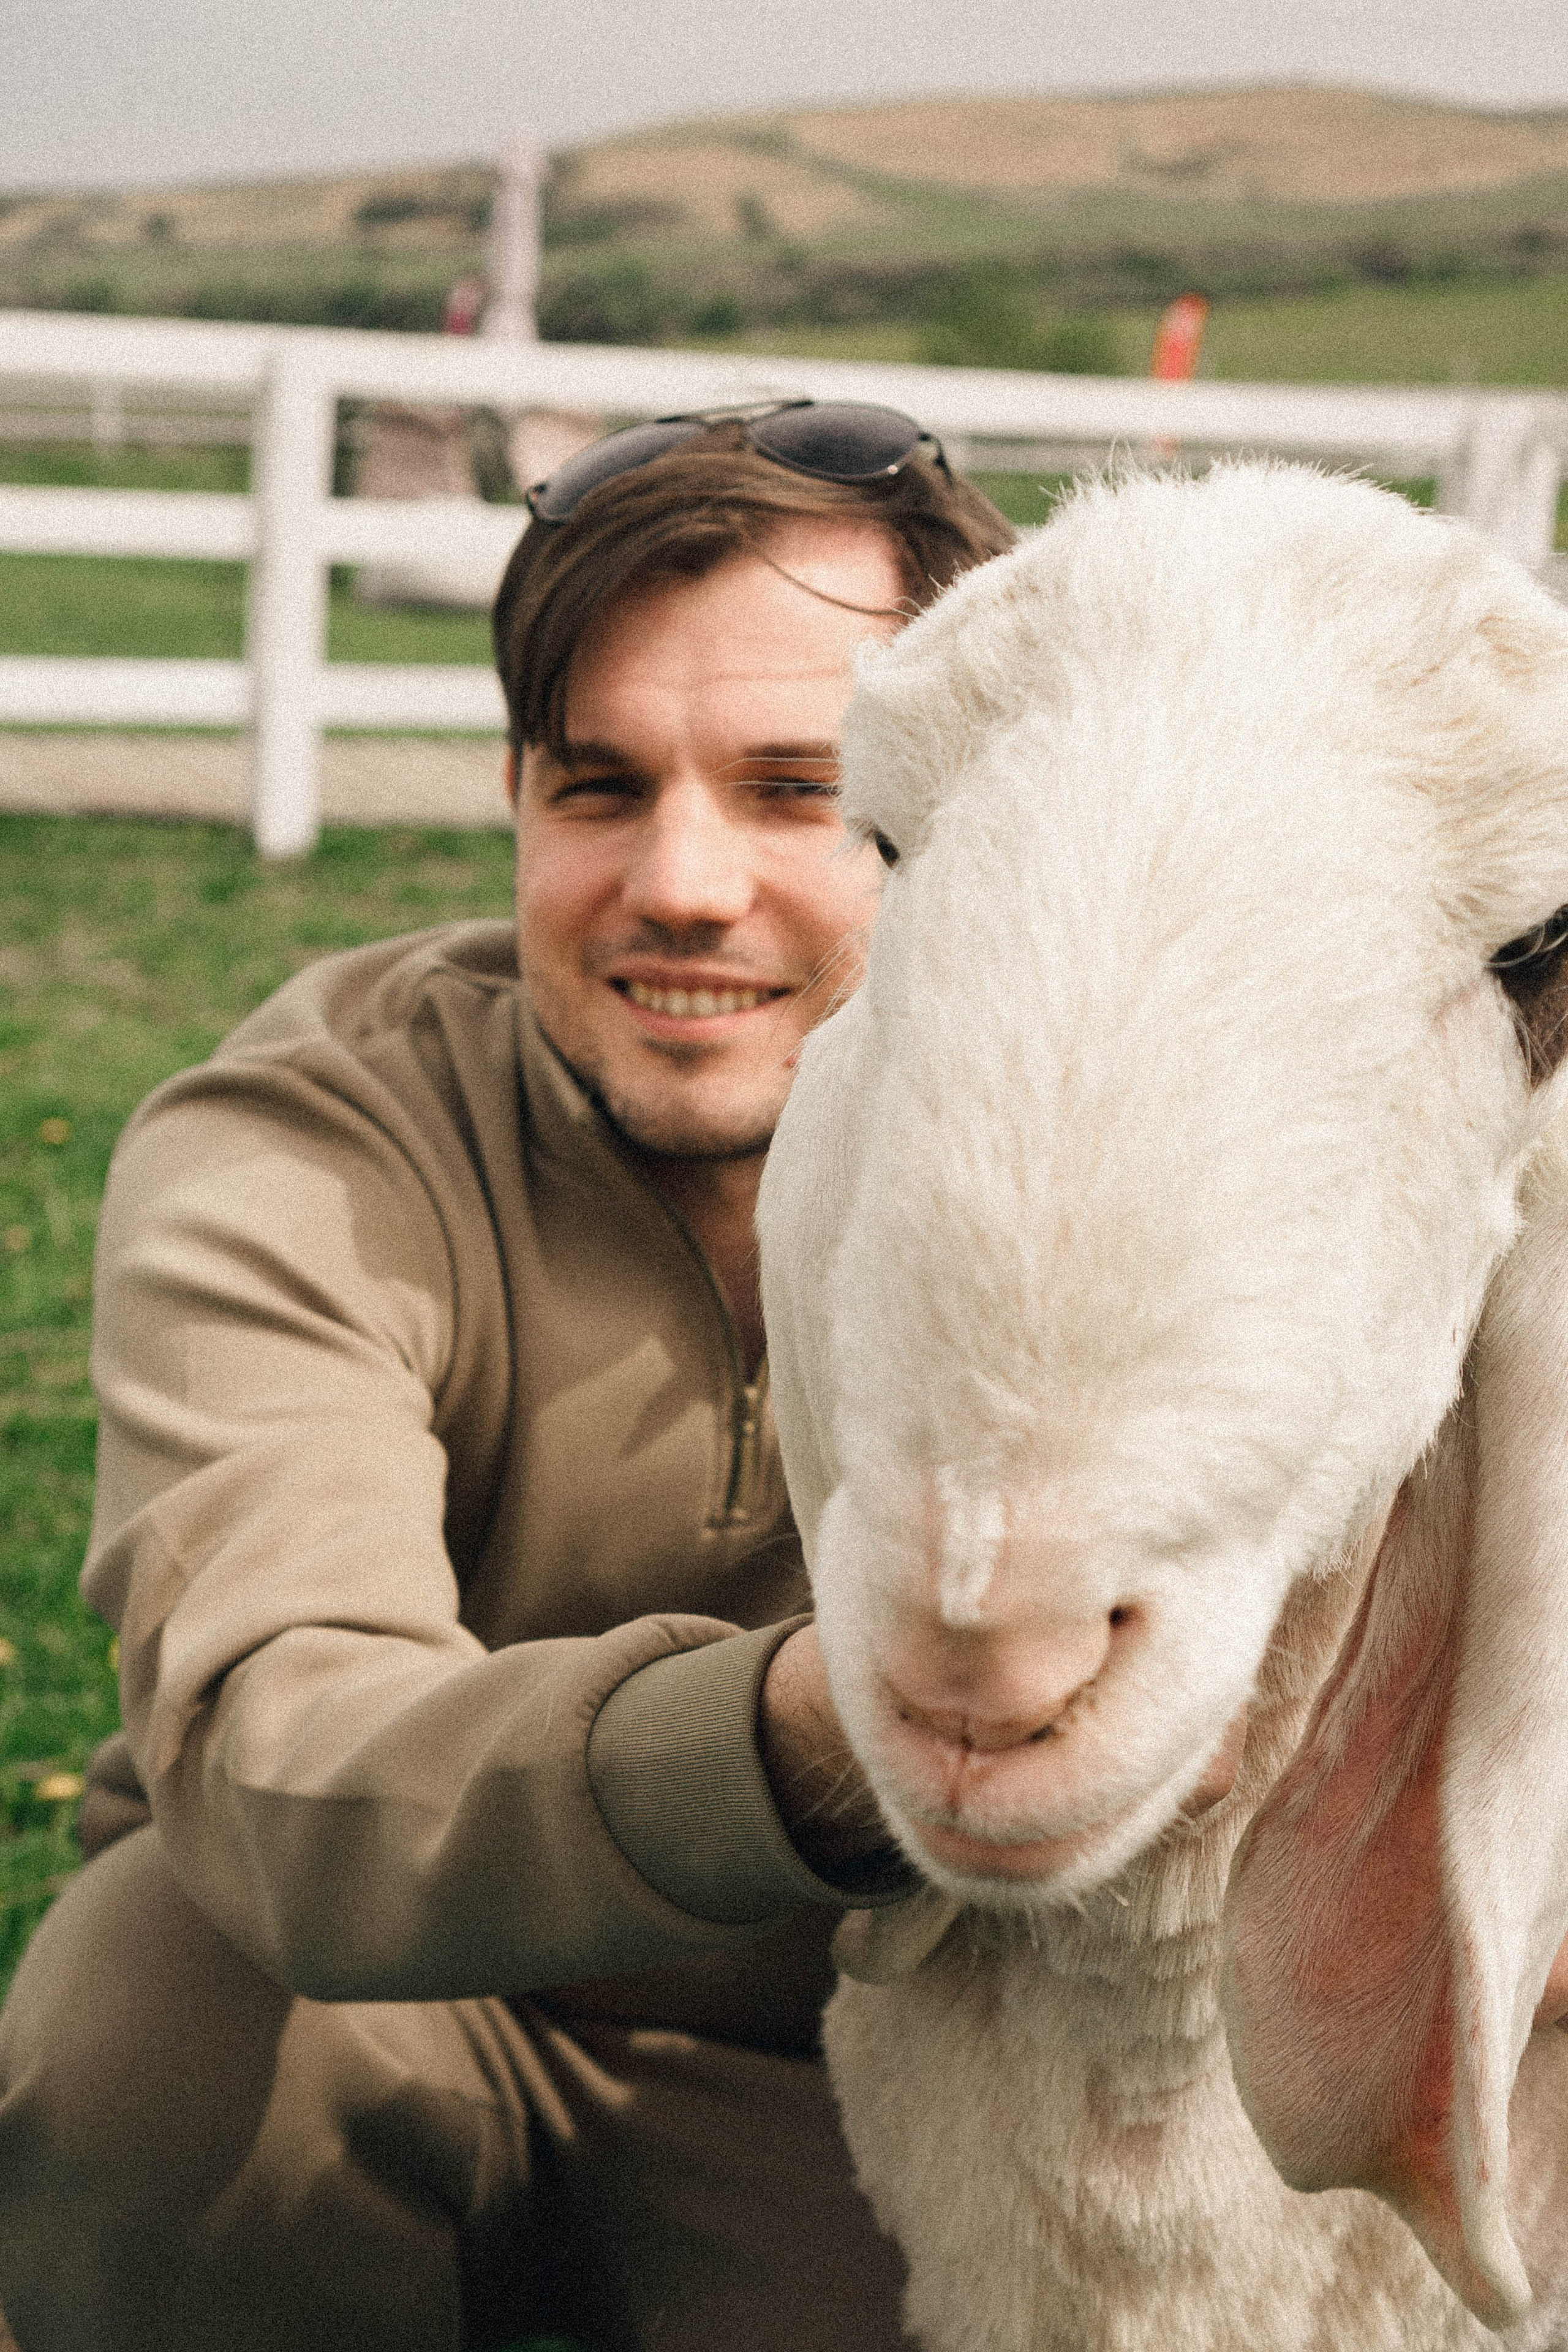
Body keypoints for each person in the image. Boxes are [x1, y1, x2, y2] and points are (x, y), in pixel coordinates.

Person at [0, 403, 1014, 2352]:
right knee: (153, 2013)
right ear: (517, 796)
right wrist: (826, 1725)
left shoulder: (1133, 1173)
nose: (685, 885)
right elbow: (279, 1752)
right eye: (602, 784)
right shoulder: (314, 1140)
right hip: (385, 2006)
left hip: (876, 2052)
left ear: (965, 810)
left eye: (799, 791)